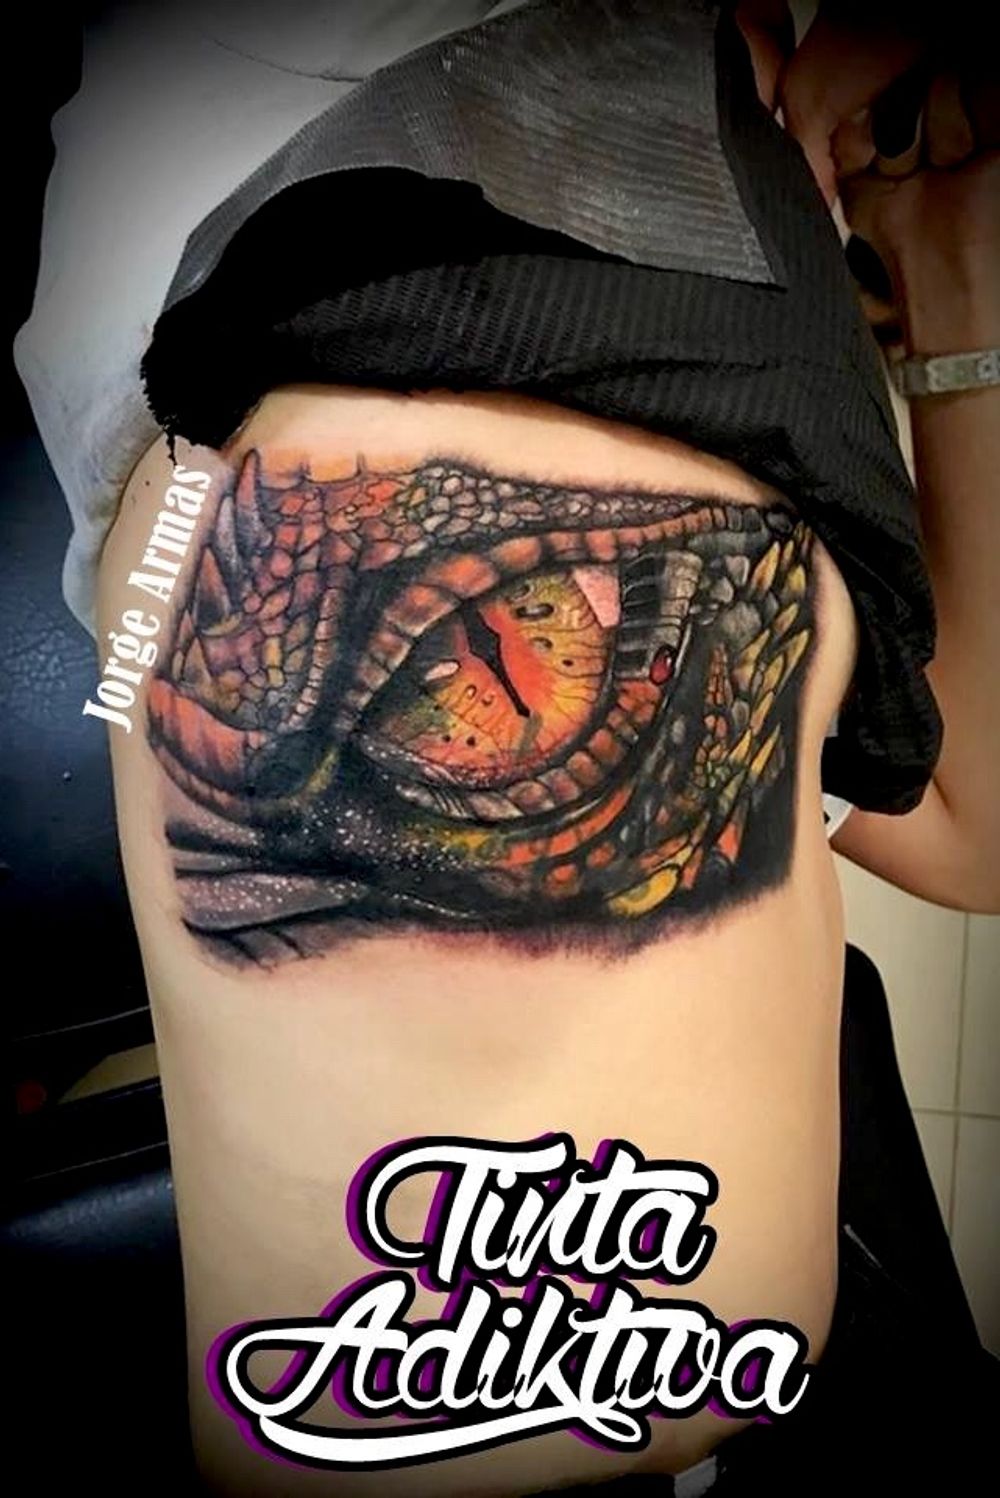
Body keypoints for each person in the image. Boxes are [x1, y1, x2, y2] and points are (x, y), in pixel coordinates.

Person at [15, 1, 999, 1493]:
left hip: (315, 211)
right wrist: (956, 258)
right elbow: (973, 826)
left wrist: (947, 262)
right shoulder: (679, 670)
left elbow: (965, 821)